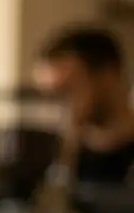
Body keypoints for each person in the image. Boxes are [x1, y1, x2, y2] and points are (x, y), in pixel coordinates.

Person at [34, 25, 134, 185]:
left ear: (109, 76)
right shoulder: (57, 161)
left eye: (66, 91)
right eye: (49, 97)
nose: (55, 108)